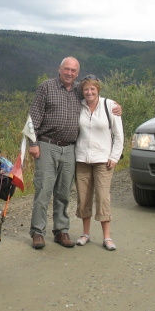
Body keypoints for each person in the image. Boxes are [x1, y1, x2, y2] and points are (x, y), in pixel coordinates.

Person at [28, 57, 121, 250]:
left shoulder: (79, 89)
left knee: (63, 192)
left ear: (77, 74)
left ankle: (61, 230)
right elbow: (34, 115)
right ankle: (37, 232)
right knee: (44, 190)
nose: (69, 73)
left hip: (70, 148)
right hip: (47, 144)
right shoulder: (46, 87)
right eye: (66, 69)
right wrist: (33, 142)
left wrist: (116, 107)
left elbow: (94, 93)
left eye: (73, 70)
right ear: (59, 69)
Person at [73, 75, 124, 251]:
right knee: (83, 197)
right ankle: (85, 234)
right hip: (82, 159)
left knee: (103, 198)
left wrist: (114, 157)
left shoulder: (109, 106)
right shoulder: (78, 106)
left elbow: (119, 135)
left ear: (98, 90)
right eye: (86, 89)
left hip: (104, 160)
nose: (89, 92)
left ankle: (107, 237)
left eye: (92, 89)